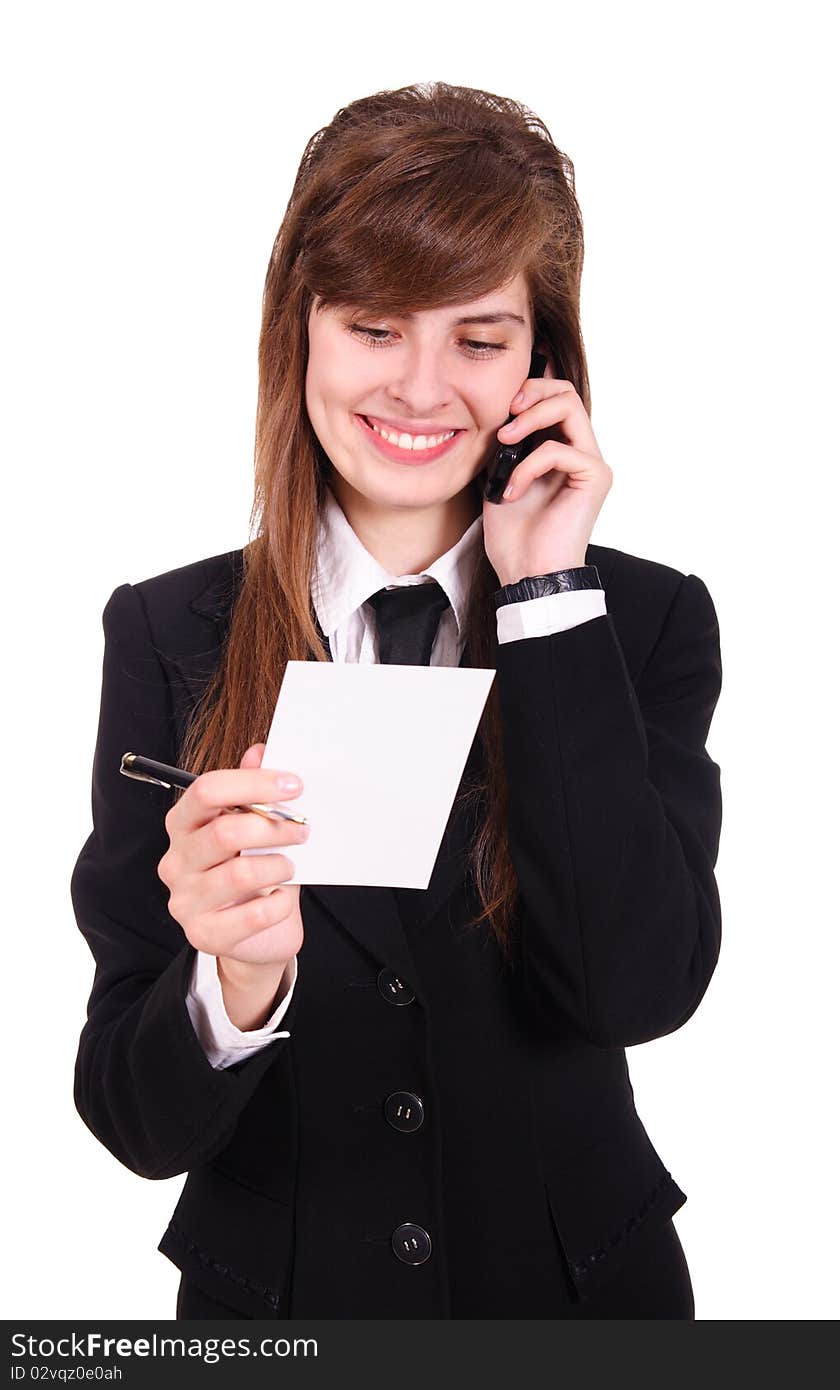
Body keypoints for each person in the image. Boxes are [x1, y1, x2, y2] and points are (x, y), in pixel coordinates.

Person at [71, 81, 722, 1320]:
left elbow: (636, 991)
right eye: (376, 327)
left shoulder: (635, 623)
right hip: (282, 1312)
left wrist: (547, 595)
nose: (424, 390)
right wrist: (234, 980)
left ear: (543, 364)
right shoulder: (165, 633)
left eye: (478, 340)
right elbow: (131, 1115)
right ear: (301, 331)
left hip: (582, 1298)